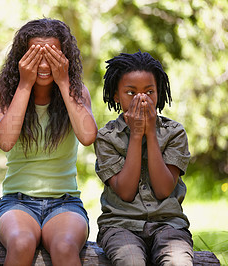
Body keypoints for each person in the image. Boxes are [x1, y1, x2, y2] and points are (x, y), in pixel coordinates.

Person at [0, 18, 98, 266]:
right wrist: (25, 83)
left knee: (64, 246)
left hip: (65, 202)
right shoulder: (6, 91)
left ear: (65, 58)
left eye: (52, 56)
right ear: (21, 58)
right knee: (21, 243)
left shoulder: (77, 92)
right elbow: (5, 141)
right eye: (35, 56)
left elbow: (87, 137)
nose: (43, 65)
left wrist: (63, 82)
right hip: (17, 202)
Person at [94, 51, 193, 266]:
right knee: (131, 261)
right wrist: (136, 135)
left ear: (159, 93)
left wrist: (150, 133)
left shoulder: (174, 132)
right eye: (131, 92)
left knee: (178, 261)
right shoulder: (106, 137)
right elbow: (126, 192)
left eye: (149, 92)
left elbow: (163, 190)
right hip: (120, 225)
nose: (142, 99)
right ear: (116, 96)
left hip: (169, 225)